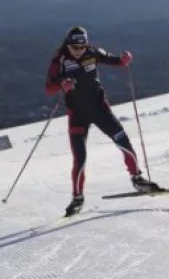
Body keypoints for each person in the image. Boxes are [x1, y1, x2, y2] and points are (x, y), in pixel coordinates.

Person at [45, 25, 160, 216]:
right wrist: (61, 85)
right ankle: (77, 198)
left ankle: (137, 178)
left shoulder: (93, 52)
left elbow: (116, 61)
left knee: (123, 141)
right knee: (80, 158)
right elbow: (49, 88)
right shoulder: (60, 60)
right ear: (68, 44)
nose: (79, 51)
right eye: (75, 48)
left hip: (100, 109)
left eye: (82, 48)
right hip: (77, 115)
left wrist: (125, 60)